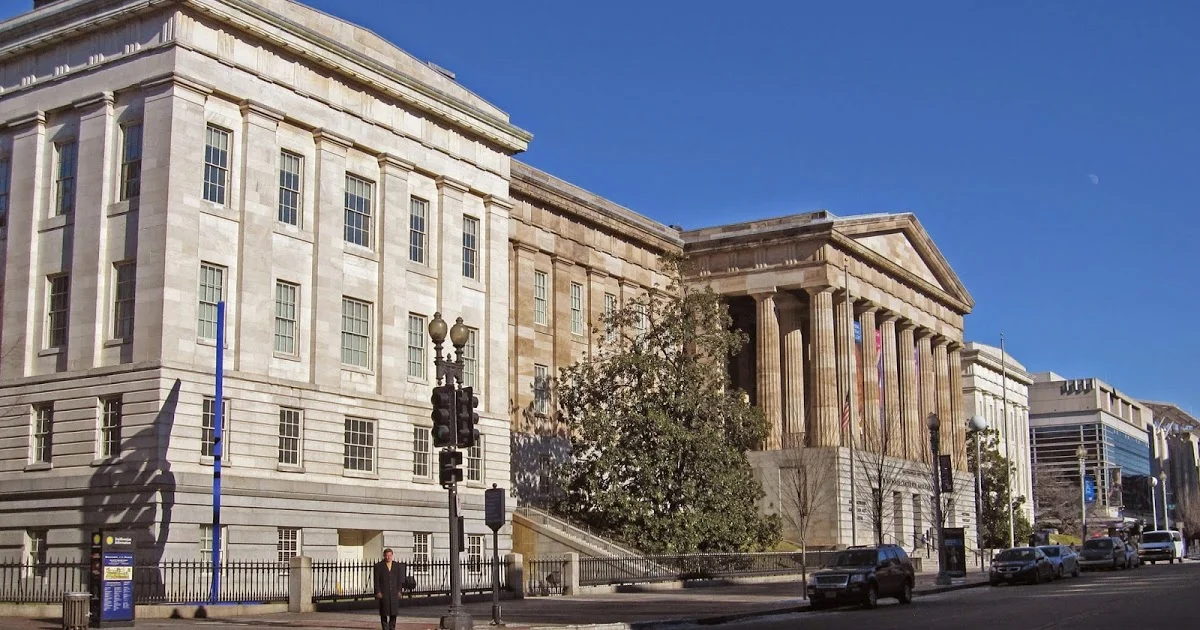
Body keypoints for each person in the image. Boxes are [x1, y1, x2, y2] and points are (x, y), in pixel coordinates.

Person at [374, 548, 404, 630]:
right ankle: (385, 628)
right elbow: (376, 580)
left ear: (392, 556)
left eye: (389, 555)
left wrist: (399, 591)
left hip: (394, 592)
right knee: (384, 612)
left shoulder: (397, 565)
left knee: (393, 612)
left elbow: (399, 580)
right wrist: (378, 591)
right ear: (384, 556)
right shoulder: (379, 566)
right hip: (384, 592)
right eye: (386, 555)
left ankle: (392, 627)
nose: (388, 557)